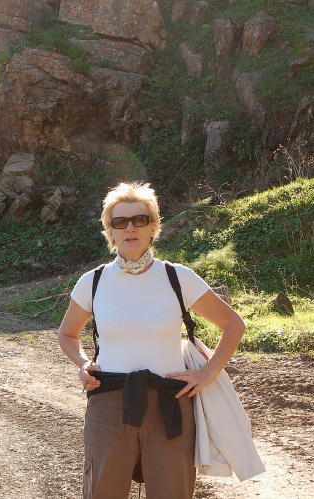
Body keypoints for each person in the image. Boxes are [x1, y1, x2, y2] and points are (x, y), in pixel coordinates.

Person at [57, 182, 245, 499]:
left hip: (170, 406)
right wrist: (83, 363)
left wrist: (206, 372)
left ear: (153, 227)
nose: (130, 227)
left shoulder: (178, 278)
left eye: (140, 220)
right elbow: (67, 334)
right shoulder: (93, 281)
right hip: (109, 404)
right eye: (120, 222)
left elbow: (233, 324)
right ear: (110, 233)